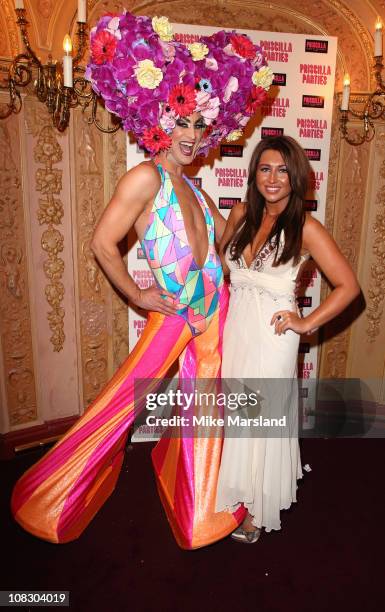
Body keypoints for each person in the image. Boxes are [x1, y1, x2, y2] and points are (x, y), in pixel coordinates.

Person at [11, 13, 273, 549]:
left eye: (201, 126)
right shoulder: (145, 178)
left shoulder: (197, 191)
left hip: (212, 314)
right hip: (173, 313)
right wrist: (135, 293)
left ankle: (203, 514)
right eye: (183, 121)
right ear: (161, 119)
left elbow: (229, 245)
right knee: (123, 404)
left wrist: (265, 203)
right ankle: (50, 495)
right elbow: (101, 243)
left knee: (208, 410)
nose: (192, 135)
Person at [215, 135, 360, 543]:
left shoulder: (306, 227)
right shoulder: (241, 213)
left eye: (282, 170)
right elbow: (217, 262)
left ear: (296, 176)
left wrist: (306, 321)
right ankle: (239, 490)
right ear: (254, 174)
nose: (273, 178)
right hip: (238, 330)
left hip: (273, 338)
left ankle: (258, 511)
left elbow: (348, 286)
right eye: (265, 168)